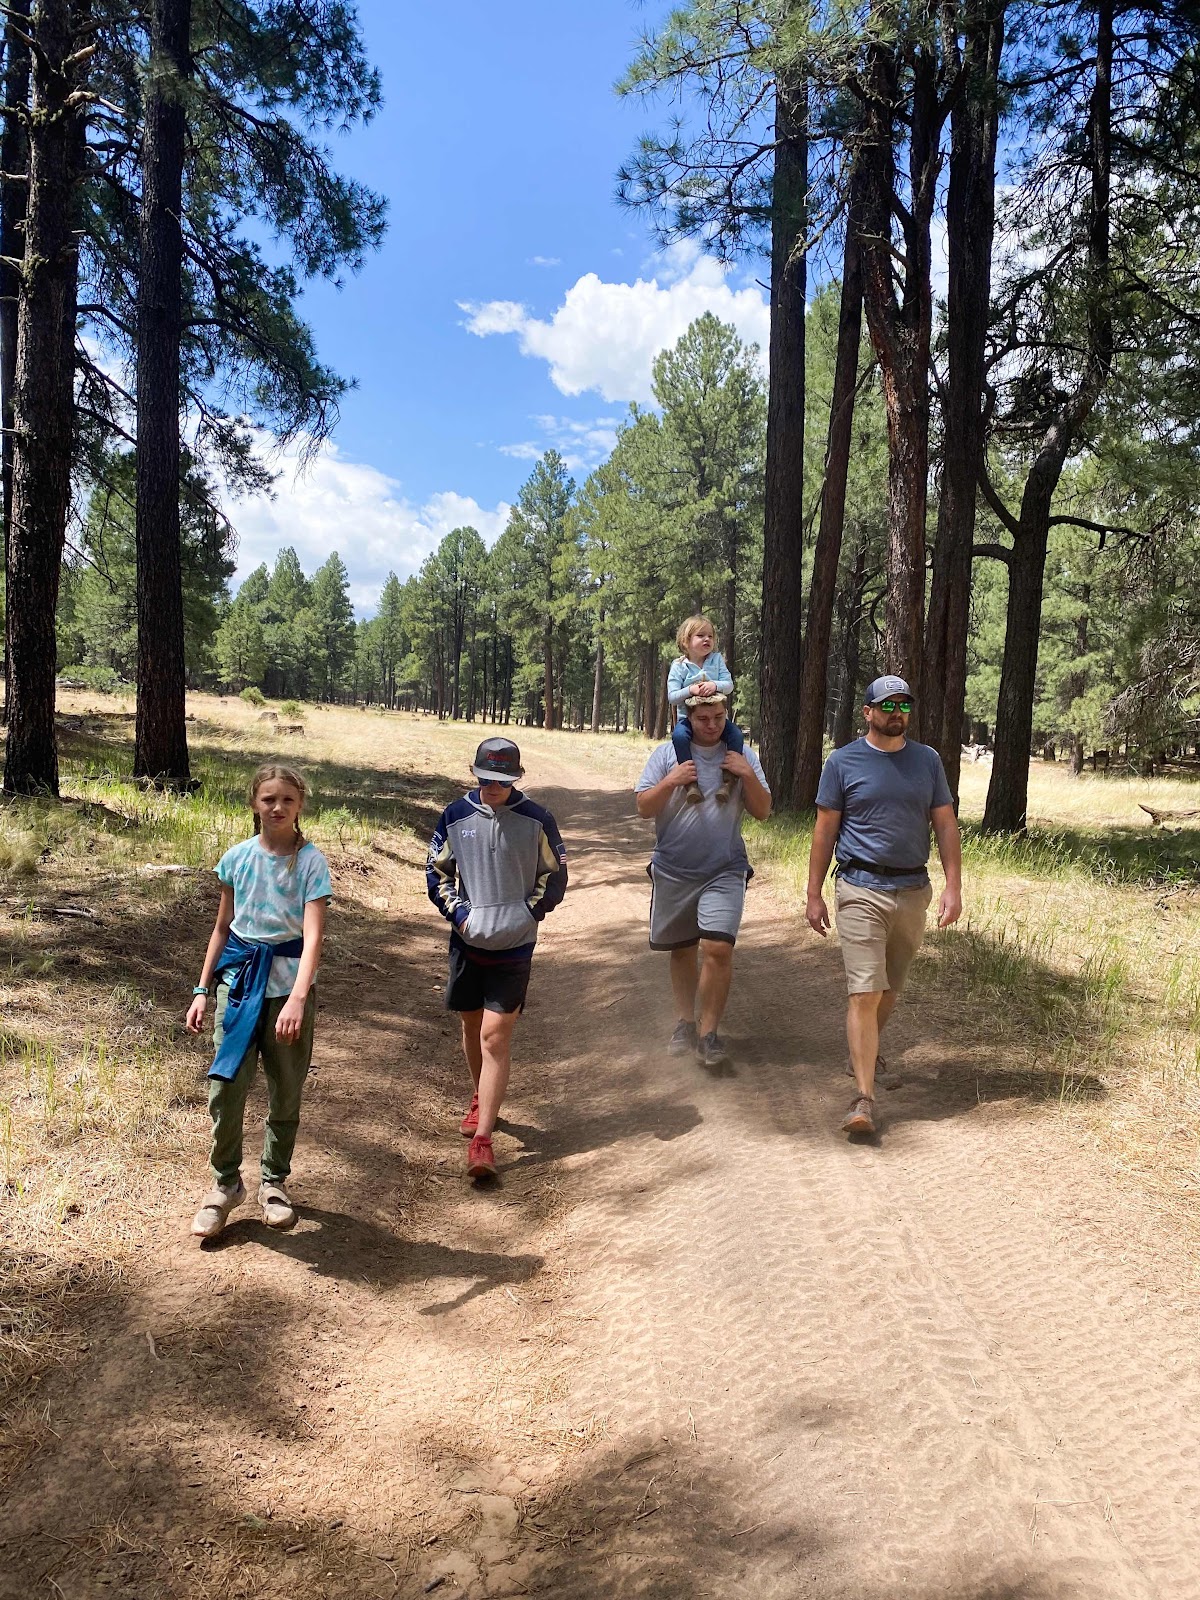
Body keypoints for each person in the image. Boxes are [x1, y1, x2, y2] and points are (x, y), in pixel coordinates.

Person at [805, 676, 962, 1137]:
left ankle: (865, 1052)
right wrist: (814, 893)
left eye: (904, 706)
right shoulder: (842, 762)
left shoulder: (927, 760)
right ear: (868, 712)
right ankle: (863, 1098)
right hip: (859, 886)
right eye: (888, 705)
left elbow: (945, 824)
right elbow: (824, 831)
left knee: (889, 987)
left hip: (913, 889)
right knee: (865, 991)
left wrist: (953, 886)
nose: (897, 713)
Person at [187, 763, 332, 1238]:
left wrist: (297, 999)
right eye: (269, 799)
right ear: (254, 803)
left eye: (287, 799)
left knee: (285, 1089)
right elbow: (222, 928)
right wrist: (202, 990)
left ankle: (274, 1182)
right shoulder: (236, 858)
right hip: (239, 986)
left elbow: (313, 939)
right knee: (226, 1087)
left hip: (288, 991)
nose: (277, 807)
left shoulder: (310, 863)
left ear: (300, 805)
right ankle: (226, 1184)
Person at [426, 737, 567, 1180]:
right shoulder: (455, 815)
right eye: (486, 779)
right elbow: (436, 873)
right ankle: (481, 1097)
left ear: (516, 779)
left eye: (502, 782)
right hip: (468, 943)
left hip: (515, 947)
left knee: (493, 1037)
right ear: (475, 774)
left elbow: (555, 877)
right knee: (471, 1027)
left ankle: (483, 1142)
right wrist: (460, 914)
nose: (493, 788)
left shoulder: (538, 819)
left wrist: (528, 913)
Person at [635, 691, 772, 1068]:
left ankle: (709, 1034)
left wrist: (747, 775)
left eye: (719, 718)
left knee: (718, 948)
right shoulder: (667, 755)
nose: (712, 726)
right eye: (703, 719)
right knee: (682, 949)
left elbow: (763, 811)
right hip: (673, 869)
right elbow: (644, 807)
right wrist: (671, 781)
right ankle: (685, 1023)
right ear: (688, 718)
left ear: (727, 715)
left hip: (724, 868)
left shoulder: (743, 756)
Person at [667, 615, 746, 804]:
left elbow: (729, 685)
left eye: (710, 636)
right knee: (679, 737)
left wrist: (714, 685)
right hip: (688, 719)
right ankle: (691, 784)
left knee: (736, 735)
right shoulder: (679, 666)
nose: (707, 639)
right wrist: (690, 690)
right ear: (686, 641)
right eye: (700, 635)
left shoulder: (716, 660)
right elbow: (672, 696)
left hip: (717, 718)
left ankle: (729, 780)